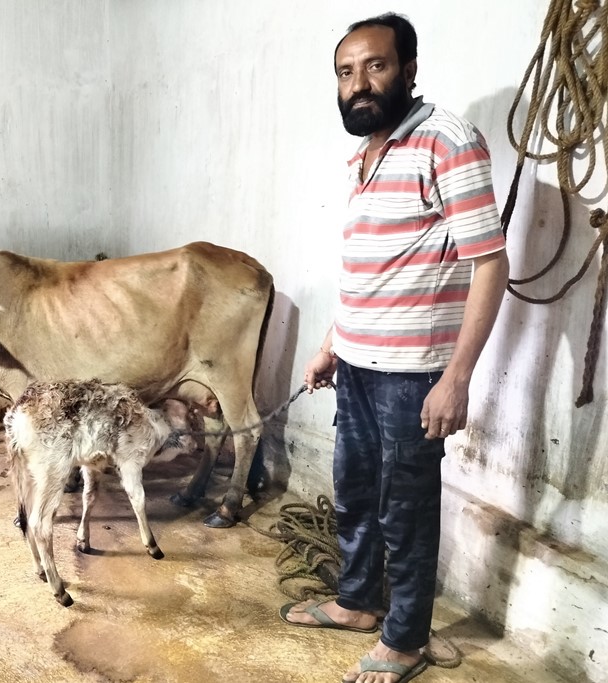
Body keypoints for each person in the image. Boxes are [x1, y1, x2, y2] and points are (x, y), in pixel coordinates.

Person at [278, 12, 510, 683]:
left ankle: (405, 639)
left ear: (408, 69)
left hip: (413, 375)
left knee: (404, 508)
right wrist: (332, 343)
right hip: (356, 364)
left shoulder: (447, 142)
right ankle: (357, 602)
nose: (358, 84)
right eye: (345, 72)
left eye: (375, 66)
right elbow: (375, 269)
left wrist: (457, 377)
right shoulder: (366, 154)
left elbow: (490, 263)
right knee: (354, 491)